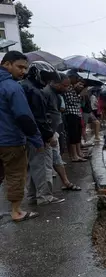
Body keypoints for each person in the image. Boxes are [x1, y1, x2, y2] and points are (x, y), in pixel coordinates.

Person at [0, 51, 42, 222]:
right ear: (7, 64)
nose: (23, 71)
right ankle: (16, 212)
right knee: (16, 175)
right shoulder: (12, 87)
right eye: (20, 67)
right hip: (11, 140)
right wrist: (37, 140)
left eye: (25, 68)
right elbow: (24, 117)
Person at [21, 61, 65, 206]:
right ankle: (45, 196)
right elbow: (40, 118)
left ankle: (33, 196)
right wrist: (48, 135)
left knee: (33, 166)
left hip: (27, 135)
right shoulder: (35, 92)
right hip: (37, 135)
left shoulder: (24, 87)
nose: (47, 82)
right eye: (46, 78)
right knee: (43, 165)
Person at [43, 72, 81, 191]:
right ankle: (44, 194)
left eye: (68, 86)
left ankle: (66, 182)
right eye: (64, 86)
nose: (66, 89)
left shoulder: (57, 94)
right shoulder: (46, 93)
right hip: (47, 133)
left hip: (54, 131)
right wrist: (49, 134)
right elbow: (43, 115)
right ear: (54, 83)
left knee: (56, 157)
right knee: (46, 163)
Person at [62, 72, 87, 162]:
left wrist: (79, 93)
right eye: (76, 78)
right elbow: (71, 101)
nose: (77, 80)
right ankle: (74, 155)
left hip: (77, 114)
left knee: (77, 135)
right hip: (70, 114)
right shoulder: (68, 89)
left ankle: (79, 153)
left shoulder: (74, 90)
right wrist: (78, 94)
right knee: (73, 135)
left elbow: (79, 103)